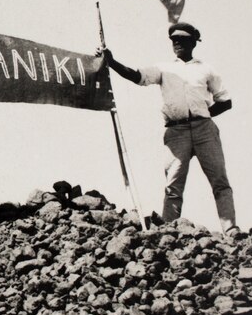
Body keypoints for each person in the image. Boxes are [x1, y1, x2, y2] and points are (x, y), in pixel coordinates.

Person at [100, 22, 237, 233]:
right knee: (173, 185)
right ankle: (169, 231)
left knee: (219, 180)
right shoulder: (163, 68)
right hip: (176, 132)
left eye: (182, 39)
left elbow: (225, 101)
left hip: (204, 130)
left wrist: (204, 114)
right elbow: (137, 76)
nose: (177, 43)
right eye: (174, 40)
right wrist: (111, 62)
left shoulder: (206, 69)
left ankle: (231, 230)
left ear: (193, 42)